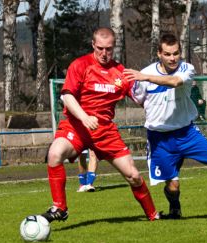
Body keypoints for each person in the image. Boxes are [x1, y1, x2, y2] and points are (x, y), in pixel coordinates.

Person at [123, 33, 207, 220]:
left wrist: (145, 77)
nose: (172, 58)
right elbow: (138, 99)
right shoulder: (144, 75)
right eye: (168, 54)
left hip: (186, 133)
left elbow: (175, 82)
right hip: (160, 139)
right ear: (159, 54)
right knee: (173, 186)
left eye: (176, 53)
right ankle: (175, 210)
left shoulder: (186, 69)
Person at [41, 27, 160, 223]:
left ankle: (153, 215)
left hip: (105, 131)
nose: (104, 54)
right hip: (77, 126)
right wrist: (84, 117)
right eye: (100, 49)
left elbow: (142, 98)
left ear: (114, 48)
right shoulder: (80, 65)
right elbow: (66, 95)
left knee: (134, 176)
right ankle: (59, 208)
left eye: (109, 49)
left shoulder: (120, 72)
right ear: (93, 45)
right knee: (54, 154)